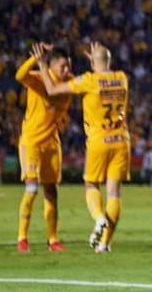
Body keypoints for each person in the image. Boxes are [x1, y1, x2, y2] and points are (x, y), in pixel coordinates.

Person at [36, 40, 130, 254]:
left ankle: (98, 219)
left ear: (92, 63)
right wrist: (97, 60)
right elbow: (104, 68)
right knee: (114, 193)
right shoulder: (122, 79)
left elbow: (51, 89)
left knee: (91, 185)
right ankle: (104, 244)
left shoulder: (89, 80)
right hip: (121, 140)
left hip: (99, 140)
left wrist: (42, 64)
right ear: (110, 60)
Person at [14, 42, 73, 252]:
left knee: (51, 191)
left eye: (69, 66)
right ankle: (22, 238)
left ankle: (53, 239)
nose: (67, 71)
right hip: (32, 142)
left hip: (52, 143)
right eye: (63, 67)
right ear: (51, 66)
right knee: (31, 189)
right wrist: (35, 60)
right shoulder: (38, 79)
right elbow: (20, 75)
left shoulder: (70, 82)